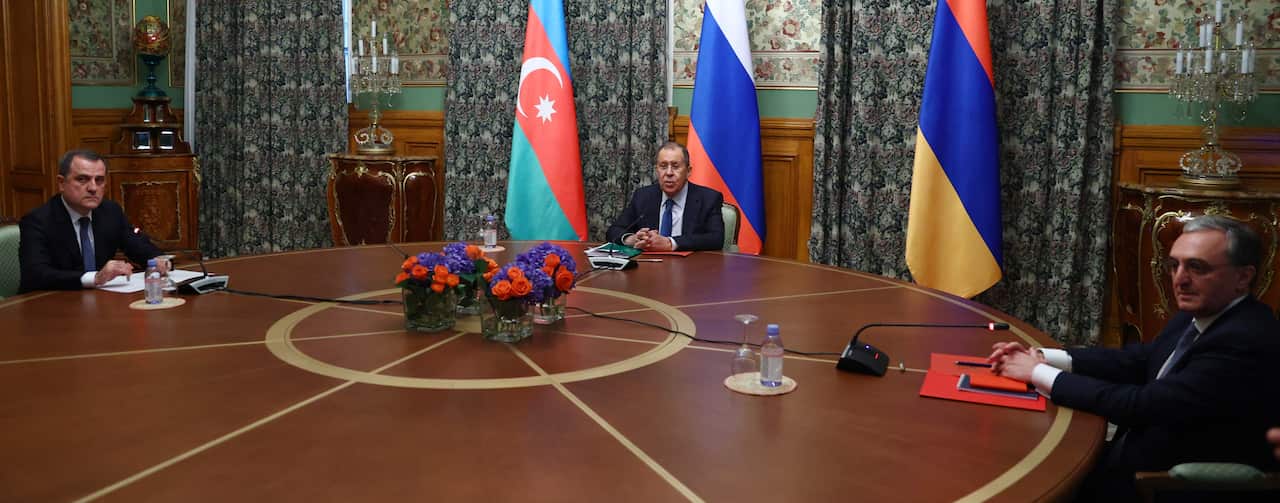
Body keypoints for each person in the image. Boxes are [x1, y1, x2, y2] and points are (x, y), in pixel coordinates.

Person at [988, 215, 1280, 500]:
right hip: (1130, 457)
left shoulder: (1244, 340)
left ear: (1243, 277)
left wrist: (1037, 372)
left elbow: (1141, 405)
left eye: (1197, 267)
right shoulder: (1203, 312)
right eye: (1174, 265)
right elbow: (1141, 360)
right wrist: (1047, 357)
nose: (1180, 279)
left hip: (1165, 485)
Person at [19, 149, 167, 292]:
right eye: (82, 179)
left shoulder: (110, 212)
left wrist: (158, 260)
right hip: (50, 306)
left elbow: (136, 244)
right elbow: (36, 275)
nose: (93, 188)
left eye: (99, 180)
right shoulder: (38, 221)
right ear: (61, 183)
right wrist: (95, 278)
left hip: (100, 302)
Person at [605, 142, 725, 251]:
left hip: (690, 269)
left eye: (676, 166)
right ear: (656, 170)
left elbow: (716, 239)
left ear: (688, 171)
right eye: (663, 166)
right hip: (649, 268)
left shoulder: (709, 198)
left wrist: (670, 243)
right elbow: (614, 230)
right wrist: (632, 239)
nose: (669, 173)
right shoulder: (643, 196)